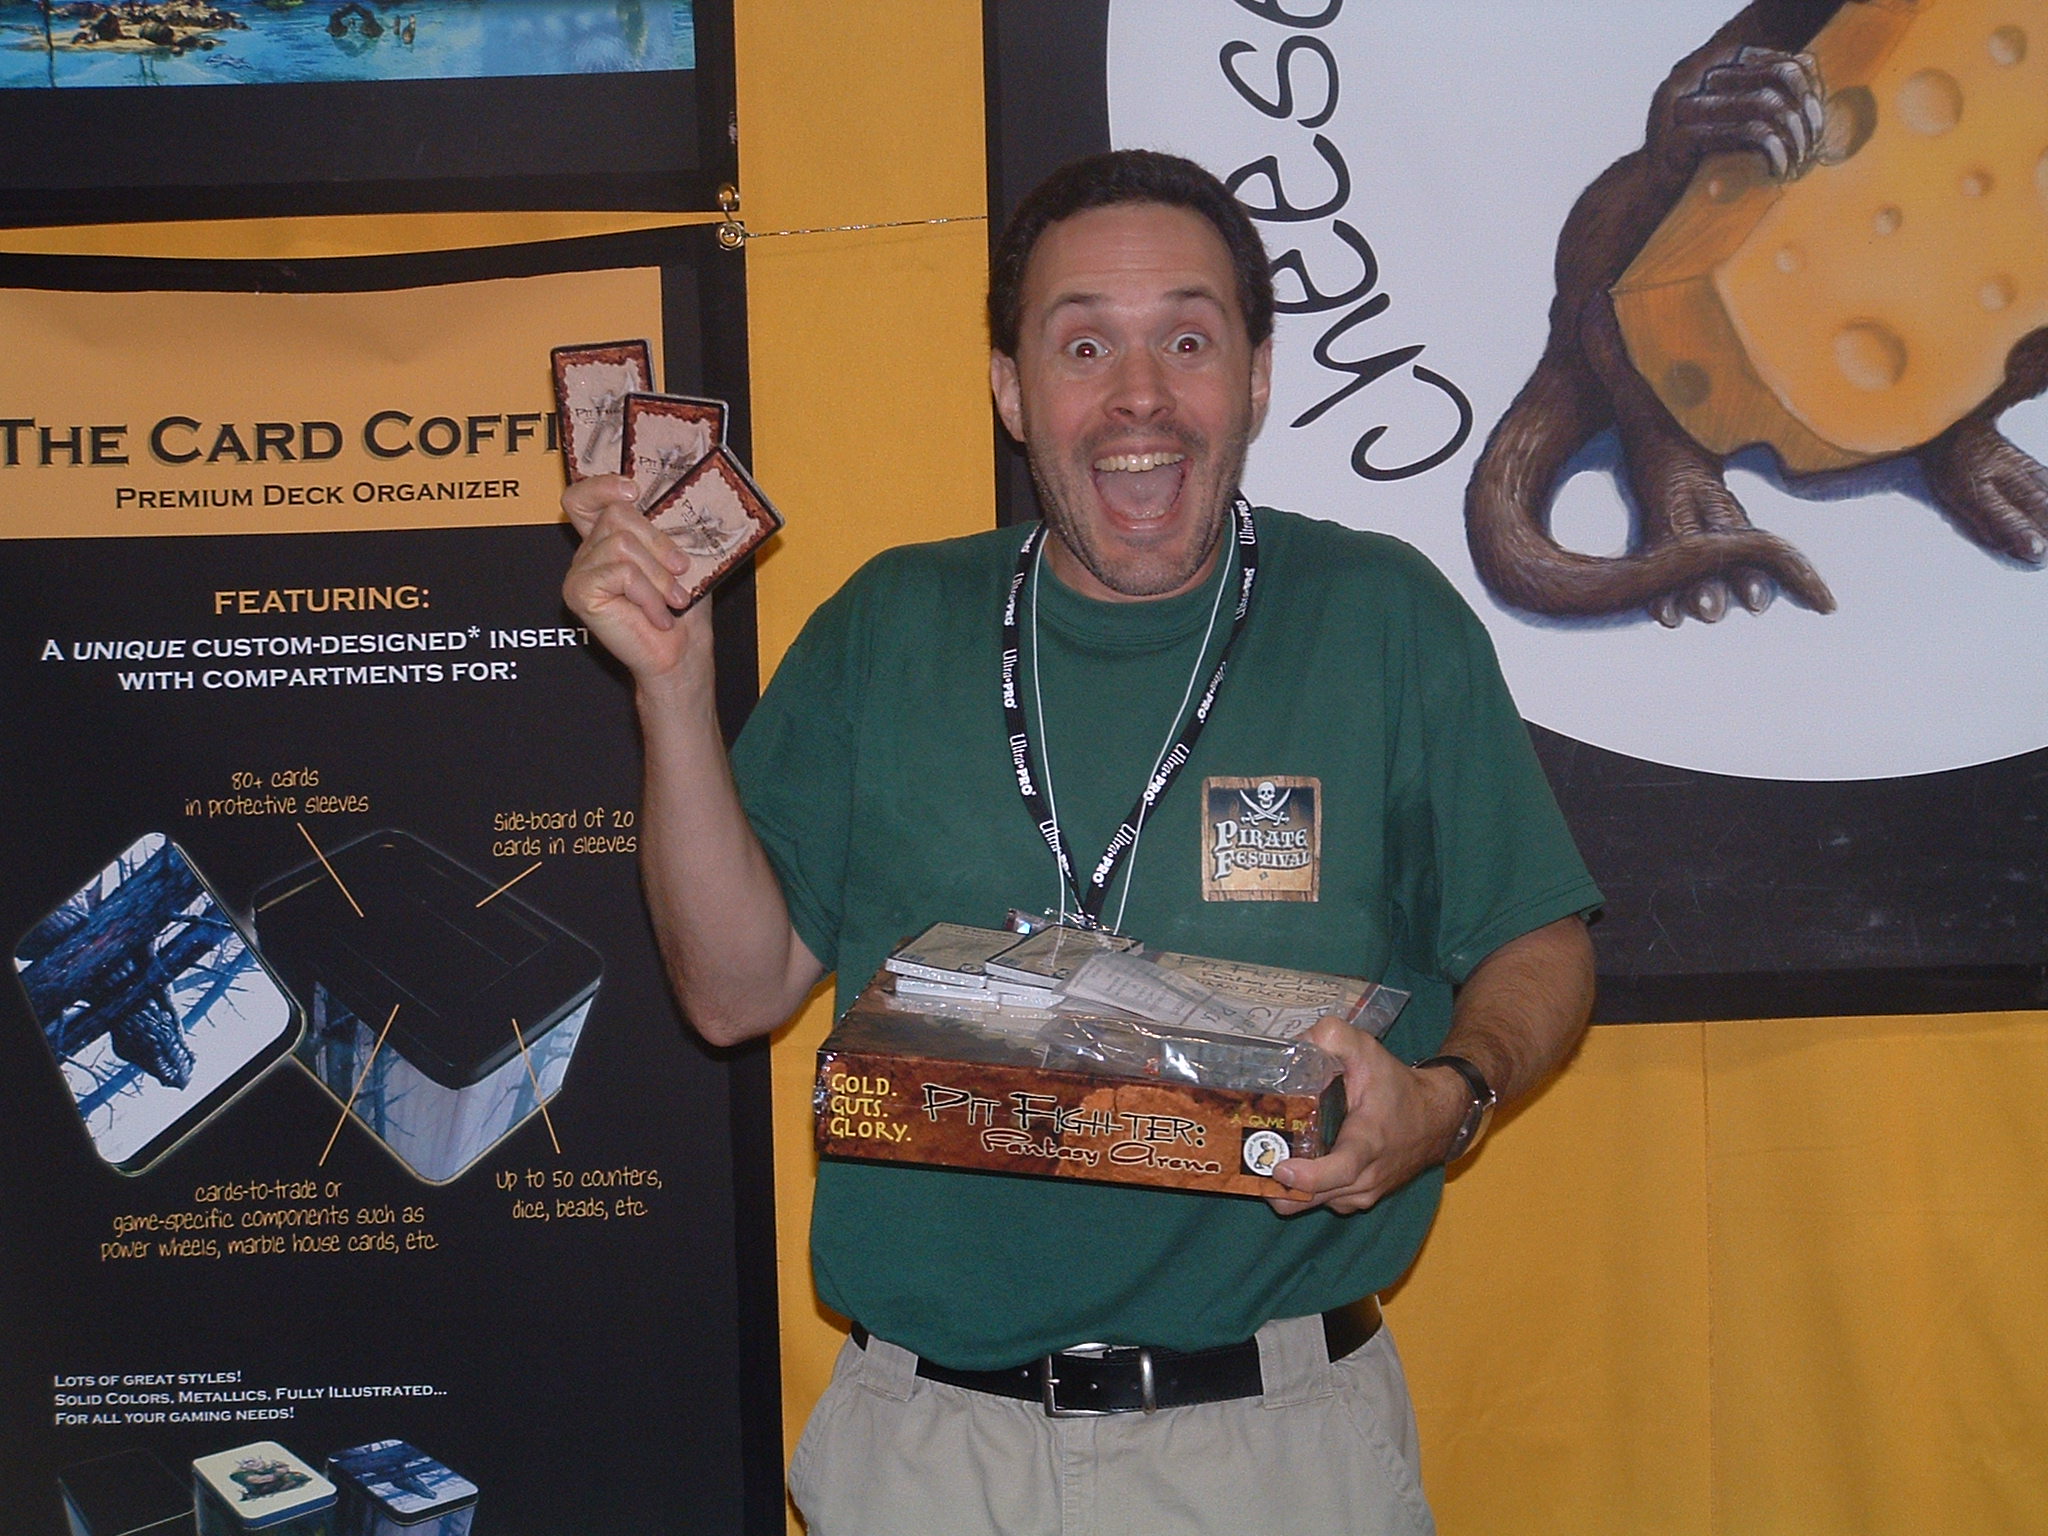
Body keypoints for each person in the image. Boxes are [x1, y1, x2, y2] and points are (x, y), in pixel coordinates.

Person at [563, 149, 1601, 1536]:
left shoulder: (1380, 617)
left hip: (1277, 1455)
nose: (1139, 396)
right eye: (1084, 345)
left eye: (1189, 339)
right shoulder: (888, 623)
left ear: (1259, 377)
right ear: (1010, 390)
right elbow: (732, 991)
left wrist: (1448, 1101)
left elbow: (1542, 938)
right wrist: (673, 689)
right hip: (929, 1459)